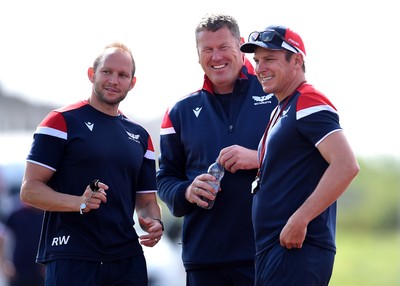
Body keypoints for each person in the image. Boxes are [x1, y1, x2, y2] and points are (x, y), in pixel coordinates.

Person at [20, 42, 164, 286]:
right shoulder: (60, 121)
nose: (113, 80)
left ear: (132, 82)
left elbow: (147, 202)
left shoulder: (141, 137)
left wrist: (154, 222)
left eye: (122, 75)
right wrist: (78, 203)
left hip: (126, 260)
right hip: (72, 256)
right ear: (91, 74)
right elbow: (30, 190)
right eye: (107, 72)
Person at [156, 14, 277, 286]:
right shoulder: (179, 112)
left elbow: (306, 161)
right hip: (203, 258)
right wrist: (186, 191)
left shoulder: (277, 96)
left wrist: (258, 158)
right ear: (197, 55)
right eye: (207, 49)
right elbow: (165, 178)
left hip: (266, 252)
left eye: (224, 47)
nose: (216, 56)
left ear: (241, 45)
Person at [240, 25, 360, 285]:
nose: (260, 68)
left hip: (296, 249)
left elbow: (346, 165)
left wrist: (300, 218)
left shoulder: (308, 100)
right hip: (276, 249)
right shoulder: (281, 107)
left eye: (270, 58)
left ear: (297, 60)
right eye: (257, 60)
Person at [0, 202, 45, 286]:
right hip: (17, 271)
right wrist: (4, 264)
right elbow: (2, 238)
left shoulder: (46, 215)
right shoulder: (16, 215)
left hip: (40, 270)